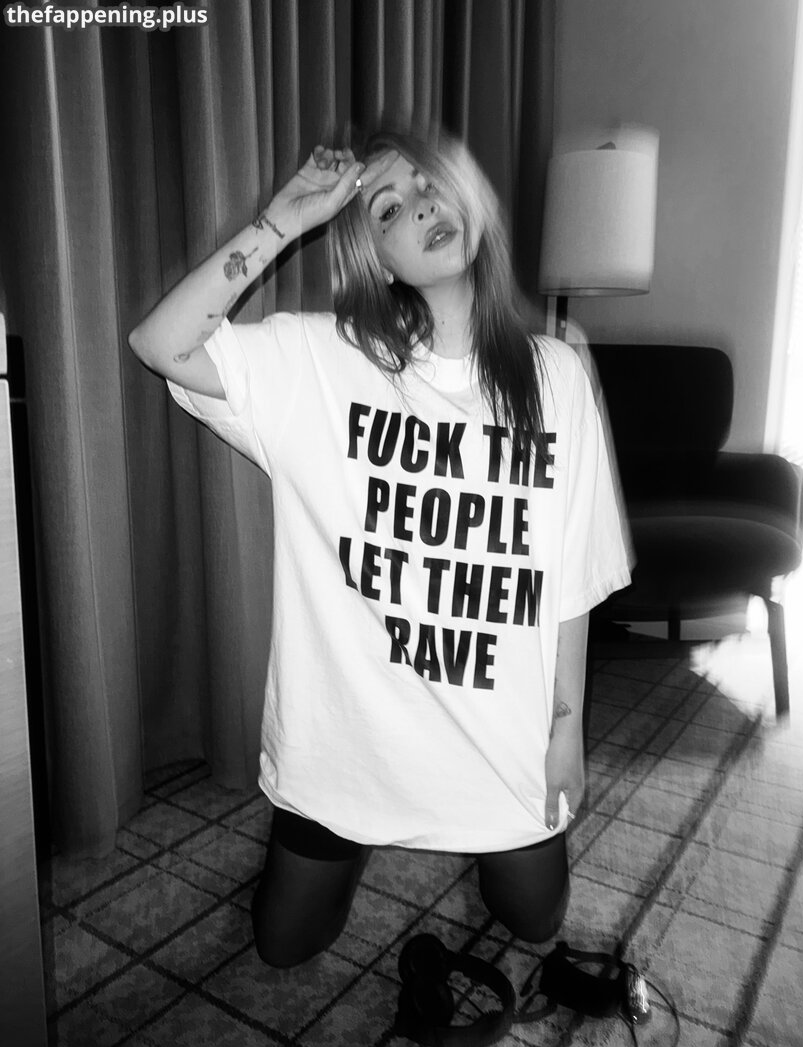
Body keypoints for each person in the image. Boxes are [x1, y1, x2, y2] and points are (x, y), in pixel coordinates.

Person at [128, 130, 631, 968]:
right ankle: (355, 835)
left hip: (495, 736)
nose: (423, 206)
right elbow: (160, 344)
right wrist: (285, 219)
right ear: (379, 259)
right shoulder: (323, 362)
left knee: (535, 921)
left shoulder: (556, 377)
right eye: (390, 209)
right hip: (349, 746)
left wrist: (564, 731)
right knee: (284, 946)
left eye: (428, 184)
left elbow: (569, 577)